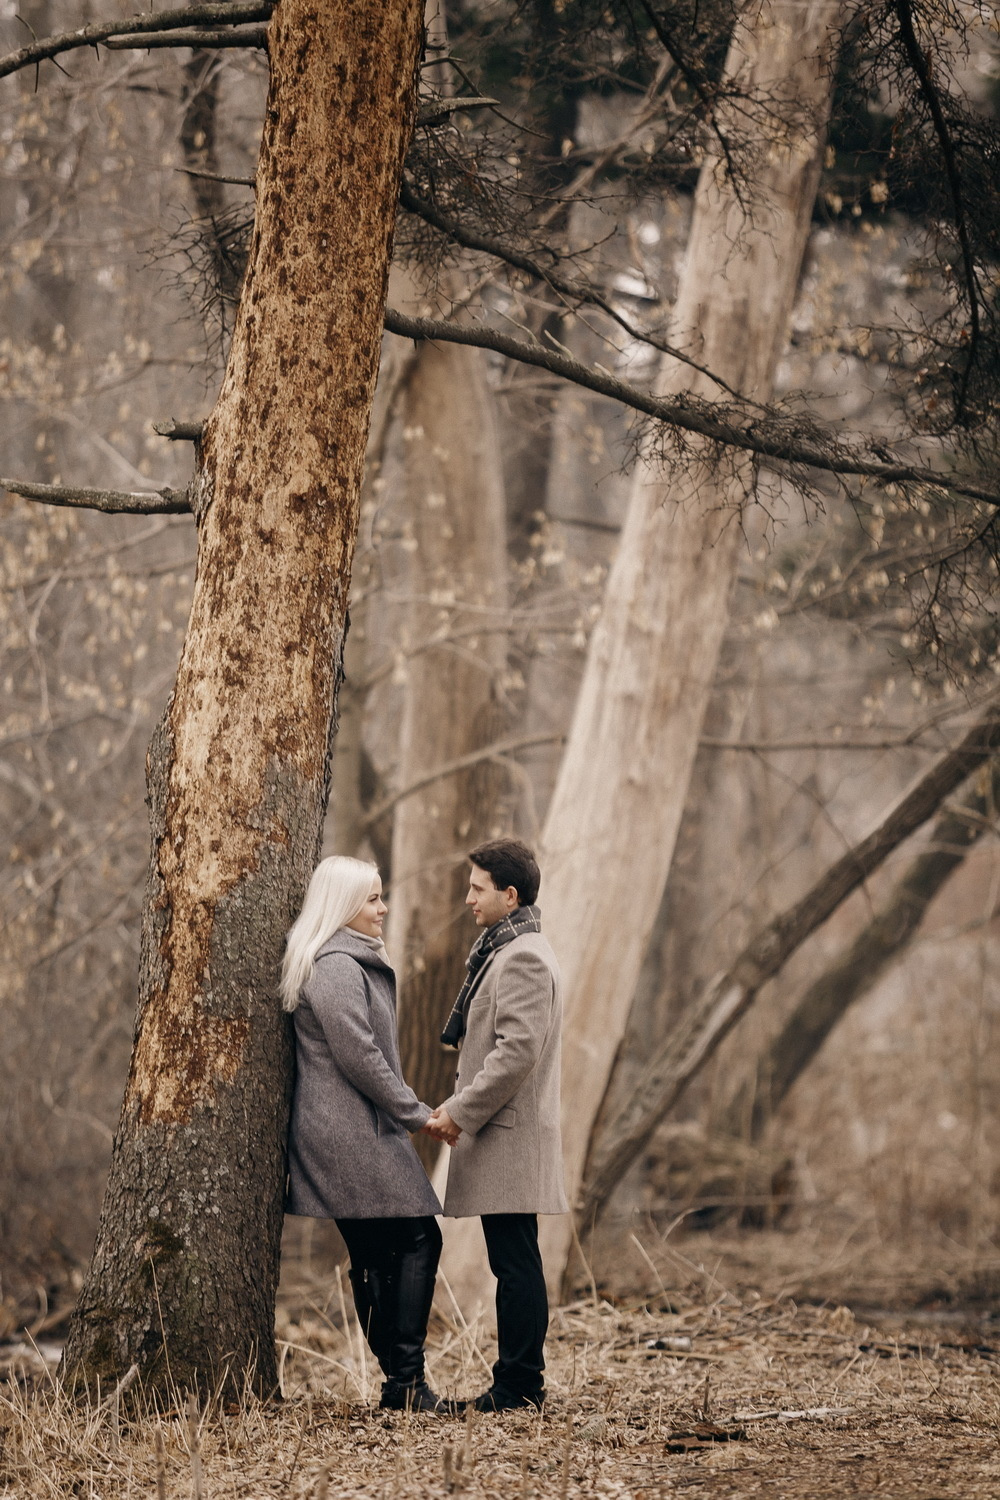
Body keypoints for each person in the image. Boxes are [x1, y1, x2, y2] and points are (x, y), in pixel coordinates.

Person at [282, 855, 446, 1413]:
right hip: (347, 1131)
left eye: (381, 896)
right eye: (373, 898)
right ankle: (404, 1383)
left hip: (358, 1127)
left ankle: (401, 1383)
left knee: (381, 1253)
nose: (383, 907)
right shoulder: (334, 966)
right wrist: (417, 1113)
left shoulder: (347, 961)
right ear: (344, 904)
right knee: (418, 1238)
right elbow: (361, 1055)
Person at [428, 838, 568, 1411]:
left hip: (509, 1136)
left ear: (510, 896)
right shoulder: (505, 950)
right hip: (508, 1136)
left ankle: (518, 1387)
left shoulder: (524, 957)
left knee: (515, 1265)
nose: (468, 899)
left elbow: (516, 1053)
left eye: (477, 888)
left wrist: (461, 1112)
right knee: (514, 1261)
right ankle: (519, 1383)